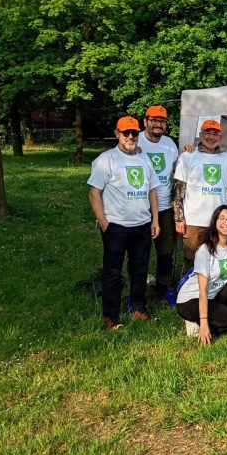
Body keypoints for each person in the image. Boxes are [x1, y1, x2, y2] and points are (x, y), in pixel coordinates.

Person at [87, 116, 160, 330]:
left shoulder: (144, 158)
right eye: (125, 132)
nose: (130, 137)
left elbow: (153, 190)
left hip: (142, 225)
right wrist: (103, 222)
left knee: (140, 270)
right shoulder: (106, 159)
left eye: (134, 133)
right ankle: (111, 315)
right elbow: (94, 192)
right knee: (113, 272)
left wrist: (155, 219)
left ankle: (137, 306)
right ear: (116, 134)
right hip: (116, 227)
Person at [176, 205, 227, 343]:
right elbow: (202, 291)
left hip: (213, 296)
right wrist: (204, 323)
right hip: (191, 300)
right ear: (215, 222)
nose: (226, 223)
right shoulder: (205, 250)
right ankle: (198, 323)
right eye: (222, 218)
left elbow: (226, 271)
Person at [173, 118, 227, 271]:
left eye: (215, 134)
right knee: (191, 260)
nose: (211, 137)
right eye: (207, 133)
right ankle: (187, 293)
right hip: (194, 220)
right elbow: (177, 191)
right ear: (200, 135)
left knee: (216, 259)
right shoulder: (188, 157)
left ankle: (211, 293)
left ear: (220, 137)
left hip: (219, 222)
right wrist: (179, 218)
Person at [138, 105, 179, 306]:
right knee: (139, 252)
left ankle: (164, 288)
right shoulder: (134, 140)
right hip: (139, 208)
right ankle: (137, 290)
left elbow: (178, 171)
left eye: (162, 121)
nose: (158, 124)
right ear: (145, 121)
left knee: (165, 252)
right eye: (153, 120)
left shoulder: (170, 144)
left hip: (164, 208)